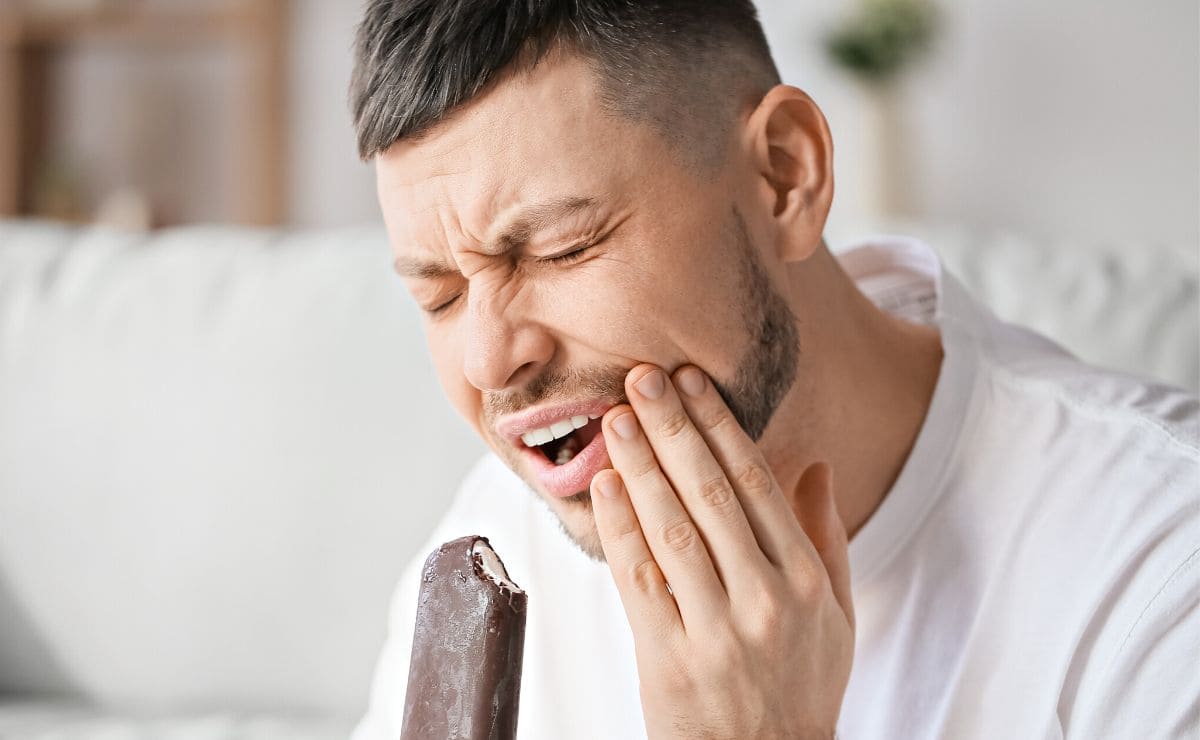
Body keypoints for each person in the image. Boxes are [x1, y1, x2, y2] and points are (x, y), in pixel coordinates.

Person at [347, 1, 1200, 738]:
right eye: (441, 296)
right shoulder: (502, 538)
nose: (491, 360)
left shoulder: (1159, 566)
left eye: (565, 247)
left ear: (786, 175)